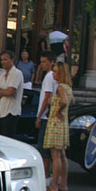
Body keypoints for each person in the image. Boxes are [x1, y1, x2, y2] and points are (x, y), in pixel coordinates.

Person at [43, 62, 74, 191]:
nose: (53, 74)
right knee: (62, 154)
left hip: (56, 122)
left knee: (55, 155)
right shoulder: (68, 87)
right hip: (63, 123)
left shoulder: (60, 87)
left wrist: (58, 110)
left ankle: (54, 184)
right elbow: (72, 101)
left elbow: (65, 101)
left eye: (55, 72)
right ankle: (63, 183)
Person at [34, 51, 58, 180]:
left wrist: (39, 116)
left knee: (44, 148)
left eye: (44, 62)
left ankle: (45, 174)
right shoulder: (53, 76)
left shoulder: (49, 77)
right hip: (49, 115)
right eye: (41, 62)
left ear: (51, 62)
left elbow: (47, 96)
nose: (42, 64)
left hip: (46, 117)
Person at [0, 50, 24, 138]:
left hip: (11, 112)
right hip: (1, 111)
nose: (3, 62)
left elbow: (10, 91)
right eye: (2, 60)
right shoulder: (2, 75)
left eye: (5, 60)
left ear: (12, 60)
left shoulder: (17, 73)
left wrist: (2, 91)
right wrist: (5, 91)